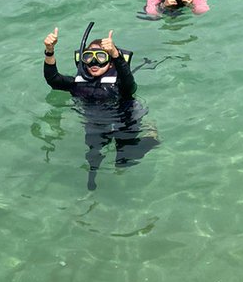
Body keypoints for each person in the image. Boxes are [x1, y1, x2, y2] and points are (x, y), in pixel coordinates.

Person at [42, 23, 159, 190]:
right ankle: (92, 188)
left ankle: (151, 138)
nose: (94, 62)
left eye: (102, 57)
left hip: (125, 119)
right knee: (92, 156)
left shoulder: (119, 83)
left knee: (124, 162)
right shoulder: (78, 83)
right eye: (88, 57)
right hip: (95, 123)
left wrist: (116, 55)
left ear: (110, 62)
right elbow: (53, 79)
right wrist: (49, 51)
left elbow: (130, 86)